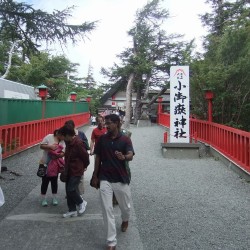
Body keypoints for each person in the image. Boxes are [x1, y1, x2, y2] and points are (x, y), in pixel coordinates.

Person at [91, 114, 134, 250]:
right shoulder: (102, 139)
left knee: (125, 206)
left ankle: (125, 218)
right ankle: (111, 242)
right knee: (106, 208)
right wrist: (95, 175)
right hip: (105, 177)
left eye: (109, 123)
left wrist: (124, 157)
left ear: (116, 123)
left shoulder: (125, 139)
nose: (106, 125)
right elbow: (98, 158)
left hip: (121, 177)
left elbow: (131, 155)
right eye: (105, 123)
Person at [58, 125, 90, 218]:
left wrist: (84, 166)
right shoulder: (68, 142)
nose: (62, 138)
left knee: (71, 189)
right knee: (68, 191)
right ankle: (72, 210)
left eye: (63, 136)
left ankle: (81, 202)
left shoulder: (78, 143)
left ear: (68, 135)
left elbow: (85, 157)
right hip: (69, 169)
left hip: (76, 170)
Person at [39, 129, 65, 207]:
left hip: (55, 164)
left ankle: (54, 198)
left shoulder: (63, 141)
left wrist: (58, 155)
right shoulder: (49, 137)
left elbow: (63, 152)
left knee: (54, 181)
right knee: (45, 181)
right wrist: (50, 146)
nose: (63, 137)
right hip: (45, 163)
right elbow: (41, 146)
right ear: (58, 133)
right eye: (62, 135)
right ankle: (43, 198)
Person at [64, 120, 89, 198]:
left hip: (79, 161)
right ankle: (71, 194)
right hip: (69, 160)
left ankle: (80, 195)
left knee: (80, 179)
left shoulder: (80, 134)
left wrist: (85, 165)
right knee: (69, 178)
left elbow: (86, 146)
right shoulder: (66, 136)